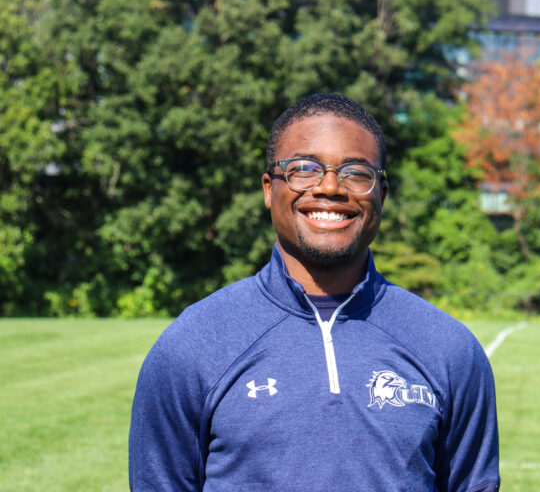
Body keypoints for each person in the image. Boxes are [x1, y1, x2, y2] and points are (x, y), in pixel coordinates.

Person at [129, 93, 500, 491]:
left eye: (356, 172)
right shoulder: (193, 344)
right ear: (270, 189)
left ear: (382, 196)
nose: (329, 187)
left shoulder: (448, 348)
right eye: (303, 169)